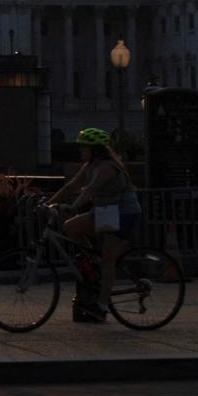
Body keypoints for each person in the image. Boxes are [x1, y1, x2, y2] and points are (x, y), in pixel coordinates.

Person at [47, 127, 142, 322]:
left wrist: (72, 207)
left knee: (109, 259)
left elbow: (90, 190)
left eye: (85, 147)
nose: (81, 151)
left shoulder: (107, 167)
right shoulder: (90, 166)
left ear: (95, 150)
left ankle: (102, 306)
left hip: (124, 213)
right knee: (70, 227)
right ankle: (93, 262)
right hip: (105, 211)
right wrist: (48, 203)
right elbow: (71, 186)